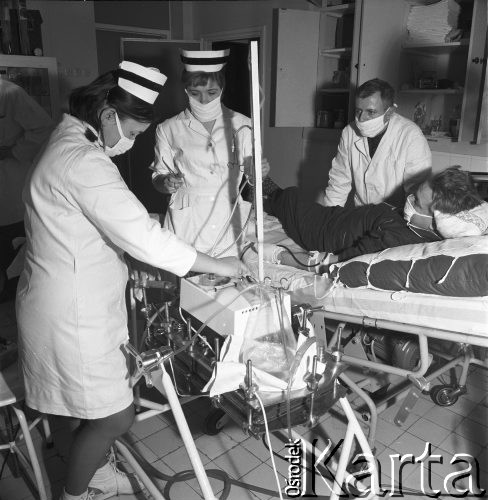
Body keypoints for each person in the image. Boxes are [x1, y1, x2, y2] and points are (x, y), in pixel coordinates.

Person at [16, 61, 248, 500]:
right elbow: (143, 236)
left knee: (72, 407)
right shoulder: (83, 161)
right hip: (72, 310)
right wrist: (220, 267)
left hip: (61, 297)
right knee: (113, 417)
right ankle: (77, 494)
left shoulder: (69, 141)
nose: (132, 142)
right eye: (134, 132)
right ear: (108, 116)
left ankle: (95, 478)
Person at [151, 48, 269, 258]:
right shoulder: (169, 128)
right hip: (187, 225)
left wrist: (258, 172)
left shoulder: (244, 125)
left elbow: (254, 179)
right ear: (185, 90)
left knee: (227, 283)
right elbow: (158, 178)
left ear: (222, 89)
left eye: (211, 93)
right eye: (195, 93)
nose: (204, 100)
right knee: (188, 285)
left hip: (229, 220)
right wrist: (166, 182)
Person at [263, 166, 479, 269]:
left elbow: (349, 257)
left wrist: (306, 261)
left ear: (436, 218)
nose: (410, 199)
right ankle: (259, 190)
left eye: (417, 201)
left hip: (324, 233)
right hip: (338, 218)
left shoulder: (403, 239)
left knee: (291, 198)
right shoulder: (411, 225)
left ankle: (254, 192)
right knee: (292, 199)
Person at [323, 78, 431, 209]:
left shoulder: (411, 136)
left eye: (371, 112)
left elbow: (416, 195)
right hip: (362, 214)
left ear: (389, 112)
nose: (361, 118)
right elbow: (339, 182)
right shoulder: (349, 133)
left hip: (397, 217)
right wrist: (329, 219)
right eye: (358, 111)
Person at [0, 79, 54, 302]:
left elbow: (43, 127)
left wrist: (14, 151)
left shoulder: (9, 93)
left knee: (11, 264)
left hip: (9, 189)